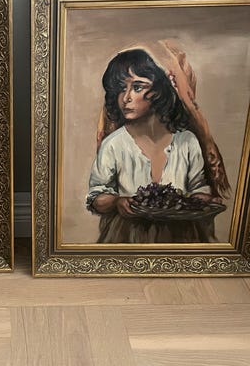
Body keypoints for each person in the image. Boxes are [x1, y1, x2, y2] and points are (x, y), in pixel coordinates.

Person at [86, 40, 230, 243]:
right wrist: (116, 202)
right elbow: (96, 196)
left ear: (161, 90)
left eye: (137, 87)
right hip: (128, 238)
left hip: (181, 237)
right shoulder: (114, 145)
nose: (126, 97)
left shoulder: (186, 142)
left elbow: (198, 188)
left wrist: (203, 200)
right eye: (121, 88)